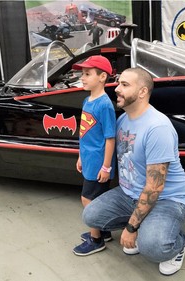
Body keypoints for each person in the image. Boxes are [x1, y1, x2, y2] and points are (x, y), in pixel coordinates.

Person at [81, 67, 185, 275]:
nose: (117, 89)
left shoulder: (157, 128)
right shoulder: (122, 121)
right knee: (91, 215)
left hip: (166, 199)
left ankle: (178, 243)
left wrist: (132, 228)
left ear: (142, 92)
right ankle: (145, 225)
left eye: (125, 85)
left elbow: (154, 187)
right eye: (118, 83)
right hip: (128, 194)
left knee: (154, 248)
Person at [71, 56, 117, 256]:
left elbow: (110, 138)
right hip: (88, 160)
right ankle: (103, 231)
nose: (82, 78)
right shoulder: (86, 100)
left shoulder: (104, 105)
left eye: (87, 74)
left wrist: (106, 167)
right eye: (82, 73)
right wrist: (81, 156)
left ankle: (96, 239)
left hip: (99, 163)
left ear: (102, 77)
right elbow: (85, 133)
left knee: (88, 200)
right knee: (98, 198)